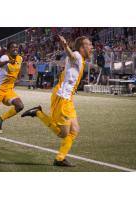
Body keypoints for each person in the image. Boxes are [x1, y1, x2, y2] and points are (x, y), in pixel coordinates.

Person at [21, 35, 93, 167]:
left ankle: (60, 158)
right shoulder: (77, 55)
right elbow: (71, 55)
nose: (91, 47)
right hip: (62, 97)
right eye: (89, 44)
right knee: (63, 133)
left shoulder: (81, 59)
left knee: (75, 130)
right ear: (82, 48)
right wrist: (65, 46)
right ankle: (38, 113)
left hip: (68, 99)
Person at [0, 41, 24, 133]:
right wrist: (7, 61)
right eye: (13, 47)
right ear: (8, 49)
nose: (15, 49)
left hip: (8, 90)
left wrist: (18, 78)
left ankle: (0, 120)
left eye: (17, 47)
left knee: (20, 106)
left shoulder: (19, 58)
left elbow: (19, 67)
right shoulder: (5, 57)